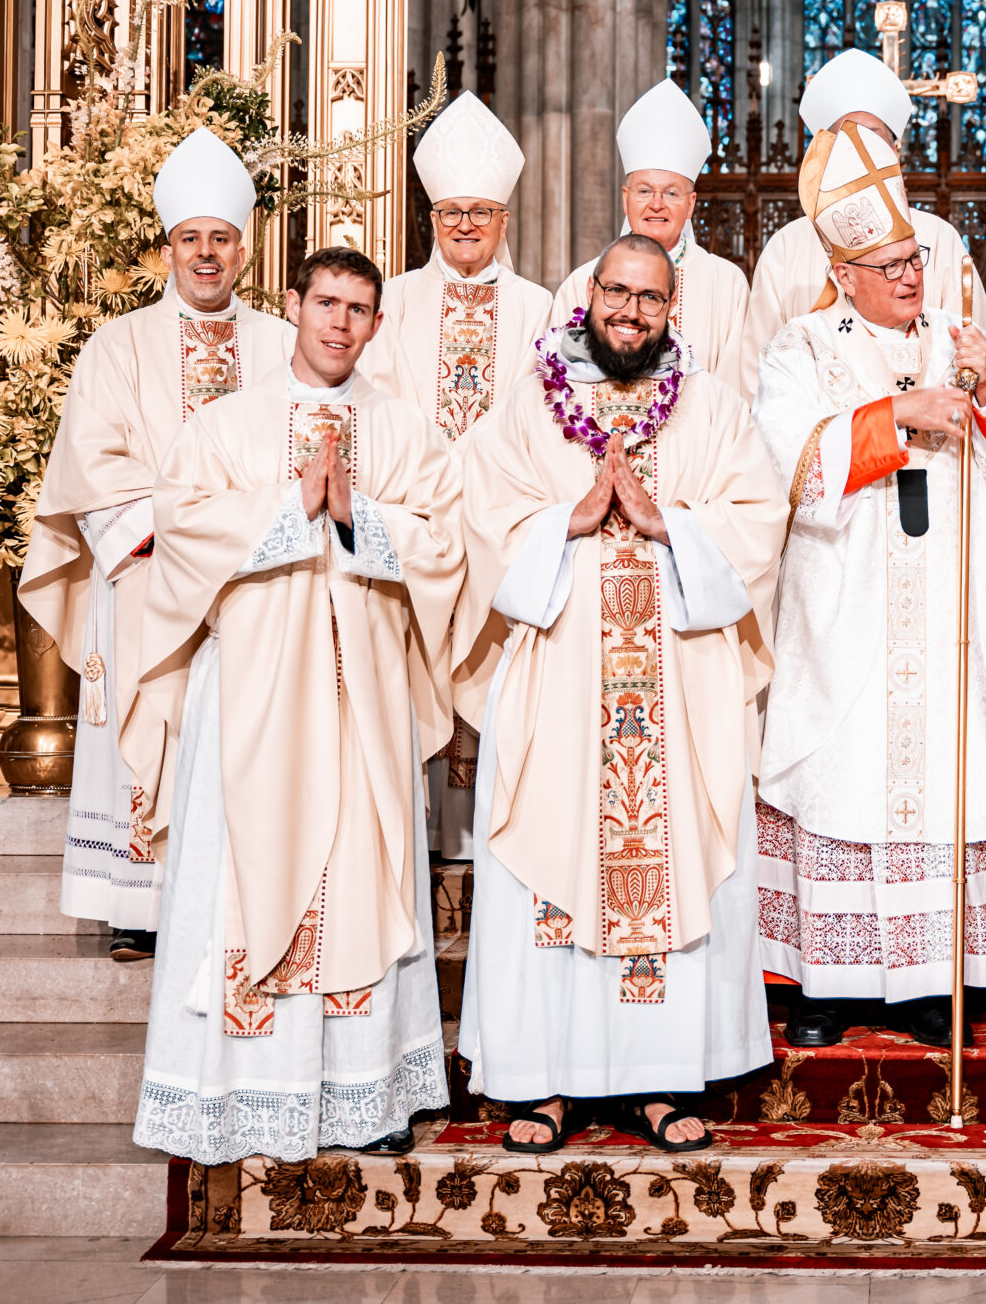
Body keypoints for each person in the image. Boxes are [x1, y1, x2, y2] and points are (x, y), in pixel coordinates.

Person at [451, 234, 791, 1156]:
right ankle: (544, 1081)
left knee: (667, 864)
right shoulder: (531, 402)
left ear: (671, 308)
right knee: (548, 864)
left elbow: (760, 520)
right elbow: (479, 513)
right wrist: (568, 520)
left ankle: (656, 1080)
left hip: (676, 687)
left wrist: (666, 522)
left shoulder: (711, 408)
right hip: (558, 681)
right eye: (617, 291)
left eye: (650, 297)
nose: (631, 311)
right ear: (588, 293)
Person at [127, 246, 466, 1164]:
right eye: (326, 302)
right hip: (252, 688)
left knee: (362, 870)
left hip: (364, 694)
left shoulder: (406, 430)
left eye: (358, 309)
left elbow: (446, 543)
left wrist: (361, 516)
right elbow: (182, 524)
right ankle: (244, 1092)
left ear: (378, 324)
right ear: (293, 304)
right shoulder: (226, 424)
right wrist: (290, 504)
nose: (339, 322)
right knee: (243, 868)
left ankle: (367, 1094)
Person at [751, 116, 986, 1048]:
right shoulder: (803, 346)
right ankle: (829, 982)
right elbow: (793, 463)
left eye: (914, 259)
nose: (909, 276)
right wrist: (898, 414)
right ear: (842, 272)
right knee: (844, 777)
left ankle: (936, 980)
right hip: (845, 604)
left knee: (945, 778)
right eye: (887, 265)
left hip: (950, 609)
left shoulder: (959, 340)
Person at [19, 128, 296, 960]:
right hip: (146, 575)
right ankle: (138, 906)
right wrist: (188, 532)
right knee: (150, 730)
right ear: (168, 247)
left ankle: (236, 899)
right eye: (190, 238)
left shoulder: (282, 347)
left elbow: (300, 453)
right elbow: (91, 466)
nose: (206, 253)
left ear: (243, 249)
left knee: (244, 733)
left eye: (221, 238)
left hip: (251, 584)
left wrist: (238, 534)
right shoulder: (117, 344)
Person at [362, 91, 557, 857]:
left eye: (480, 212)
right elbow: (373, 409)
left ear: (504, 219)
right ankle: (416, 857)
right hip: (414, 529)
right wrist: (431, 478)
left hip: (499, 534)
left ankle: (485, 857)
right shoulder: (393, 301)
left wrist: (481, 478)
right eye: (451, 212)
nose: (466, 225)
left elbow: (546, 420)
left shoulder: (541, 308)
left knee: (493, 681)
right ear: (432, 218)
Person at [743, 47, 986, 360]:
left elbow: (977, 356)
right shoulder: (786, 249)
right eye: (846, 142)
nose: (860, 152)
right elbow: (756, 367)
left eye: (872, 140)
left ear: (895, 153)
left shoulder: (941, 239)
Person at [549, 80, 756, 398]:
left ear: (690, 204)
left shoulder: (727, 285)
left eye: (671, 193)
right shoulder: (582, 283)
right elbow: (560, 387)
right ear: (625, 199)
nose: (656, 204)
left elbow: (733, 395)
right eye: (644, 191)